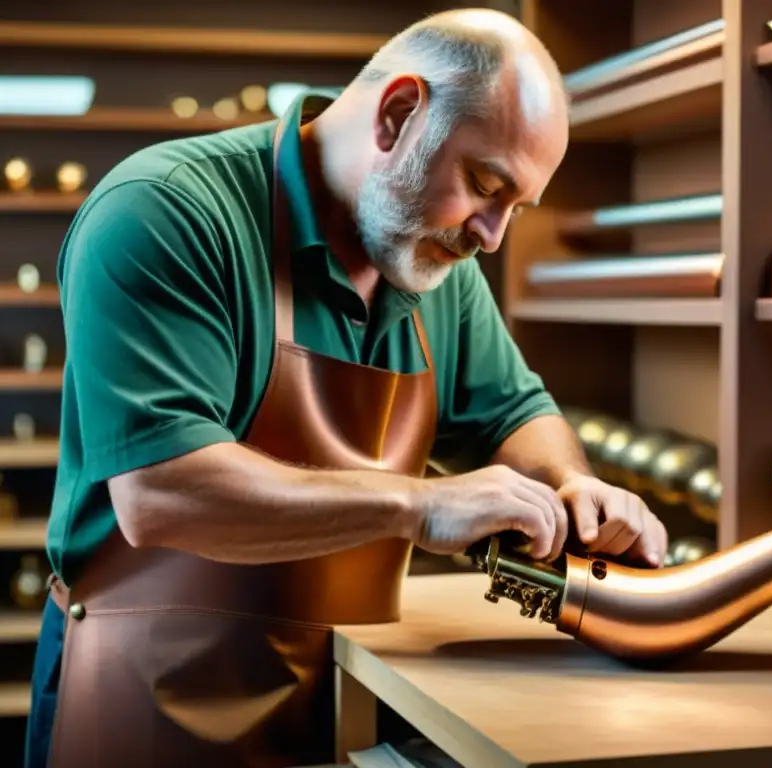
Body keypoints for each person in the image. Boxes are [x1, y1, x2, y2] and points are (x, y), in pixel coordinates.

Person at [23, 8, 669, 767]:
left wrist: (571, 486)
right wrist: (419, 505)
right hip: (145, 690)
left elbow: (511, 411)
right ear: (398, 115)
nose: (492, 236)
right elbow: (164, 492)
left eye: (514, 207)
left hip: (348, 693)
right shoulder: (167, 212)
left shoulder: (431, 261)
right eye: (485, 186)